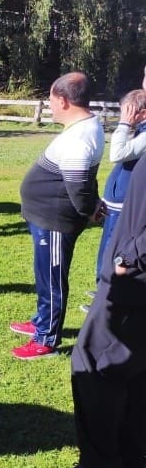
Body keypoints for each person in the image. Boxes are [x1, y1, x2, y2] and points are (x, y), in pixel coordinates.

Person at [45, 152, 146, 468]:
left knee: (95, 361)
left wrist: (130, 258)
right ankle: (133, 467)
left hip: (135, 279)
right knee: (135, 367)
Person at [10, 72, 105, 360]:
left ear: (63, 101)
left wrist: (89, 210)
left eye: (51, 100)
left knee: (52, 278)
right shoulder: (84, 127)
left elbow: (78, 186)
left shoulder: (81, 137)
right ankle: (42, 321)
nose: (50, 106)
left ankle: (47, 338)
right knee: (44, 274)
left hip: (55, 221)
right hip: (45, 216)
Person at [80, 89, 146, 312]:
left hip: (126, 205)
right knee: (106, 250)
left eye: (127, 112)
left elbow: (117, 153)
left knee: (117, 252)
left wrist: (125, 125)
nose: (123, 116)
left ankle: (109, 296)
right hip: (115, 202)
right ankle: (103, 289)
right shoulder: (140, 130)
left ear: (142, 114)